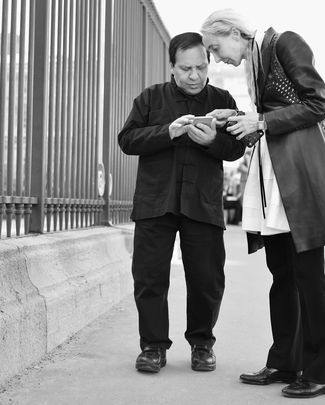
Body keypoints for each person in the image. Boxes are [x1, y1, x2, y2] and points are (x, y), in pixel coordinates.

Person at [200, 9, 325, 399]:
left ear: (232, 32)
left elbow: (318, 104)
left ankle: (320, 372)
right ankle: (284, 361)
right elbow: (275, 113)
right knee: (282, 273)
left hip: (298, 179)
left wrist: (260, 123)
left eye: (214, 47)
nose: (216, 58)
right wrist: (241, 117)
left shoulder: (286, 42)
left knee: (308, 277)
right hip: (277, 180)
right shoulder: (259, 57)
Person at [117, 32, 245, 374]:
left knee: (206, 278)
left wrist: (213, 141)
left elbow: (236, 150)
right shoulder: (150, 98)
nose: (194, 76)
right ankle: (153, 347)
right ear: (172, 67)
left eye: (201, 67)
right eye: (186, 68)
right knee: (149, 277)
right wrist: (167, 132)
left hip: (202, 203)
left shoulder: (223, 99)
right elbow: (126, 140)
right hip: (155, 202)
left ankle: (202, 344)